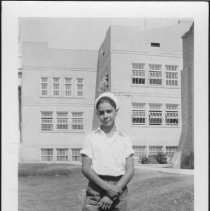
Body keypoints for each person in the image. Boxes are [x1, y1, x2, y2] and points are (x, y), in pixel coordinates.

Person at [80, 92, 134, 211]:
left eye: (109, 111)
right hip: (95, 191)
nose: (105, 116)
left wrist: (112, 193)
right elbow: (86, 169)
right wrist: (108, 188)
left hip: (119, 190)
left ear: (116, 112)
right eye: (101, 112)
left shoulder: (125, 139)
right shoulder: (91, 138)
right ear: (97, 114)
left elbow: (130, 171)